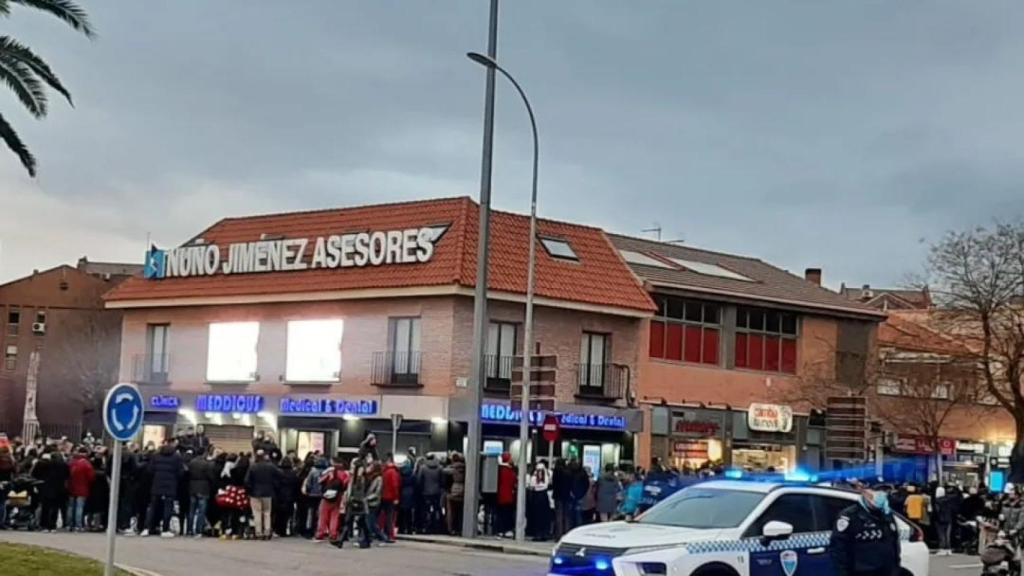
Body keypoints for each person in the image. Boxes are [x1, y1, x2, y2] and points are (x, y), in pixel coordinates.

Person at [830, 483, 901, 576]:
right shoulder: (850, 516)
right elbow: (839, 550)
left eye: (884, 491)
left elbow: (894, 543)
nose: (881, 494)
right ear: (865, 492)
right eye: (877, 491)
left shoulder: (886, 514)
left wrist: (895, 569)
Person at [144, 442, 184, 537]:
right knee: (168, 508)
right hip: (170, 485)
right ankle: (165, 529)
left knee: (152, 507)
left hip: (157, 484)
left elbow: (150, 470)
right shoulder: (176, 457)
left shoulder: (156, 456)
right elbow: (180, 472)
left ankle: (147, 528)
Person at [245, 450, 280, 540]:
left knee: (257, 513)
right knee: (267, 513)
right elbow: (280, 474)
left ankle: (258, 532)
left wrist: (250, 490)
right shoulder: (270, 466)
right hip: (268, 492)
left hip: (255, 493)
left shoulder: (252, 467)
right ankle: (267, 531)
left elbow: (247, 481)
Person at [317, 457, 348, 543]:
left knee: (323, 515)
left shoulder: (330, 471)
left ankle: (320, 533)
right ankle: (333, 533)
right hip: (338, 497)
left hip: (327, 496)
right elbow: (345, 485)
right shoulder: (345, 473)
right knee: (335, 516)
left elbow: (320, 480)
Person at [187, 449, 217, 538]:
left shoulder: (191, 462)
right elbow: (210, 476)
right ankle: (198, 530)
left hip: (192, 487)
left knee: (191, 510)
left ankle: (189, 529)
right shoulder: (206, 464)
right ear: (205, 453)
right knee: (201, 511)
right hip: (203, 488)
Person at [66, 448, 95, 531]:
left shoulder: (72, 463)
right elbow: (91, 477)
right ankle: (78, 525)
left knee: (71, 507)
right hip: (83, 488)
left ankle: (69, 524)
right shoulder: (87, 464)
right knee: (79, 507)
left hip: (71, 487)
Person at [301, 456, 328, 538]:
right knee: (320, 513)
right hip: (322, 495)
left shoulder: (312, 471)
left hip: (312, 495)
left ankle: (309, 530)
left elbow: (308, 483)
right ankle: (319, 529)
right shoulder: (326, 472)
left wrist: (308, 491)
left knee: (311, 513)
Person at [417, 453, 443, 534]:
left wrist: (420, 490)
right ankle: (436, 527)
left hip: (426, 492)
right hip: (436, 492)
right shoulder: (440, 468)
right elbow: (442, 481)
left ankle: (426, 527)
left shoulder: (423, 468)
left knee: (426, 510)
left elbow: (419, 480)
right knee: (436, 510)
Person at [274, 458, 300, 537]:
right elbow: (296, 485)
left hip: (280, 496)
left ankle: (278, 530)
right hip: (290, 496)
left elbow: (276, 484)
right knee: (288, 515)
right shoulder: (294, 474)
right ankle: (286, 530)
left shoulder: (278, 473)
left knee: (279, 514)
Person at [526, 461, 552, 541]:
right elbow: (549, 483)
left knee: (537, 516)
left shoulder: (534, 476)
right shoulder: (548, 474)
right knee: (544, 516)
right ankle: (544, 533)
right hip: (544, 495)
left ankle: (538, 534)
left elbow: (531, 485)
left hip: (537, 495)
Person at [380, 453, 401, 541]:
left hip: (383, 496)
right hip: (391, 497)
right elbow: (395, 485)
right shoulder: (393, 472)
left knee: (383, 515)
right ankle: (390, 535)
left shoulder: (384, 471)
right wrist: (396, 497)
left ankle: (383, 533)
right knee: (390, 517)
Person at [444, 452, 465, 535]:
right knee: (461, 512)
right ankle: (460, 528)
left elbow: (443, 471)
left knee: (450, 511)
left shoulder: (452, 469)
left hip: (454, 490)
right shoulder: (466, 468)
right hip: (463, 491)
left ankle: (450, 529)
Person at [496, 452, 517, 537]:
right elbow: (514, 482)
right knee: (507, 514)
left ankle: (500, 530)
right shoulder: (510, 471)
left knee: (501, 514)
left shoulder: (499, 470)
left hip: (500, 496)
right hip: (509, 496)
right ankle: (507, 530)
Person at [933, 486, 956, 556]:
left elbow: (937, 511)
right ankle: (948, 549)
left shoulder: (937, 501)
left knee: (941, 535)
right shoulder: (949, 500)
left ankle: (942, 548)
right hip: (948, 519)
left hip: (940, 519)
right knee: (947, 535)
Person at [398, 454, 417, 534]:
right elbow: (416, 484)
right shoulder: (412, 474)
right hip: (410, 493)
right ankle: (409, 529)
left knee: (401, 512)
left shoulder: (400, 474)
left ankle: (401, 529)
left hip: (402, 493)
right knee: (409, 513)